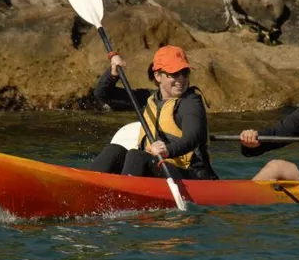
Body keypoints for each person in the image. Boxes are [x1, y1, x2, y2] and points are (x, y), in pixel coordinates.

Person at [88, 45, 218, 180]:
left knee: (137, 155)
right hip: (157, 169)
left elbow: (193, 137)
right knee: (113, 150)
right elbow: (102, 94)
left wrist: (168, 150)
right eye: (174, 73)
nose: (181, 79)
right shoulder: (148, 99)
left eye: (184, 73)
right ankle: (87, 186)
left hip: (192, 176)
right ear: (158, 76)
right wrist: (112, 74)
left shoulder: (191, 102)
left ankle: (125, 196)